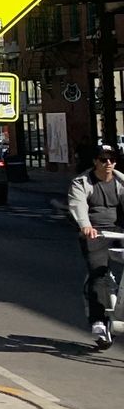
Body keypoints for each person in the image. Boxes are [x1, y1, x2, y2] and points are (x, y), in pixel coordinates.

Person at [69, 143, 124, 347]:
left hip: (118, 231)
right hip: (96, 233)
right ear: (95, 162)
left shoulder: (121, 182)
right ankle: (99, 320)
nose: (108, 163)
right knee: (98, 273)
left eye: (111, 159)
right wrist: (85, 226)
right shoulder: (82, 182)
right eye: (103, 159)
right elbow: (78, 205)